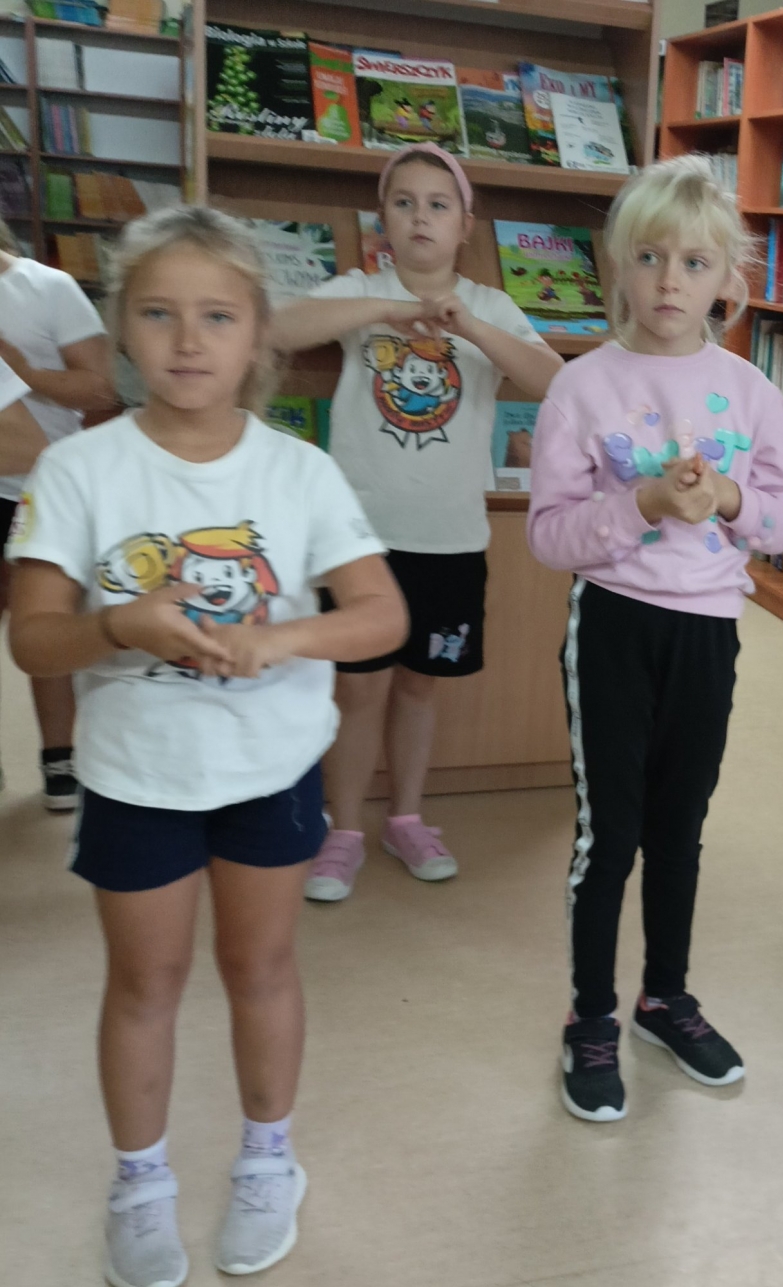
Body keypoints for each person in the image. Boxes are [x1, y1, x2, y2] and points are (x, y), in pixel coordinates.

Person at [5, 205, 405, 1285]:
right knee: (145, 980)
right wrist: (119, 625)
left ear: (258, 334)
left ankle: (269, 1158)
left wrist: (279, 638)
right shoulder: (77, 469)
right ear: (121, 329)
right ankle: (139, 1181)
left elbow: (381, 615)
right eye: (159, 314)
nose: (189, 340)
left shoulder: (298, 472)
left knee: (259, 967)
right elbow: (33, 641)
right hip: (135, 777)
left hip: (271, 770)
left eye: (218, 316)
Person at [527, 155, 783, 1122]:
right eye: (649, 257)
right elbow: (548, 535)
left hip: (707, 631)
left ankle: (664, 998)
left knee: (680, 829)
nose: (670, 281)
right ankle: (591, 1013)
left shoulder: (751, 391)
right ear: (618, 264)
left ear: (728, 277)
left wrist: (724, 496)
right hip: (611, 624)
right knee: (611, 835)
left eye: (694, 262)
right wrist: (642, 501)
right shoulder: (580, 388)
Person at [269, 143, 562, 901]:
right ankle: (344, 829)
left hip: (450, 540)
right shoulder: (361, 289)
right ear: (383, 219)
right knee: (358, 691)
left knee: (420, 689)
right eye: (404, 202)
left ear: (466, 224)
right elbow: (277, 327)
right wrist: (390, 310)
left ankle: (405, 816)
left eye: (438, 204)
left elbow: (555, 382)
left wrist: (470, 327)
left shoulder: (490, 306)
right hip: (359, 544)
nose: (420, 217)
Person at [0, 215, 115, 809]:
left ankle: (59, 755)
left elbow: (100, 389)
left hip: (42, 485)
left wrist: (25, 374)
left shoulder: (46, 287)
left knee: (44, 620)